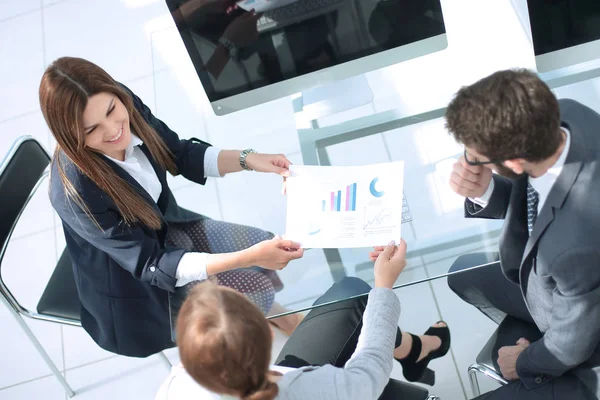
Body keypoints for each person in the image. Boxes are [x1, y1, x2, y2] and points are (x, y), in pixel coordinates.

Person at [40, 57, 304, 358]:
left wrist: (249, 159)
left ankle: (273, 317)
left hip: (165, 230)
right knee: (247, 289)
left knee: (258, 245)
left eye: (112, 110)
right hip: (136, 284)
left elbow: (178, 153)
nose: (114, 130)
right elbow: (152, 265)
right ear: (70, 136)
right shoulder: (75, 191)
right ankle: (252, 331)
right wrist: (243, 260)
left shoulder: (125, 104)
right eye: (92, 129)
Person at [446, 68, 600, 399]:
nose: (471, 162)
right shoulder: (565, 114)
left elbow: (573, 343)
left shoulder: (576, 245)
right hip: (556, 285)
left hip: (584, 324)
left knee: (547, 362)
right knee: (461, 273)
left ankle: (570, 386)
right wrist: (485, 190)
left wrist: (526, 361)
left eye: (478, 158)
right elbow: (536, 195)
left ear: (515, 161)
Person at [155, 240, 451, 400]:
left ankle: (414, 350)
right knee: (363, 302)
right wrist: (384, 285)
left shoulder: (176, 388)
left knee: (350, 294)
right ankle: (415, 351)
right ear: (269, 335)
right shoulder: (306, 389)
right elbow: (368, 375)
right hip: (353, 388)